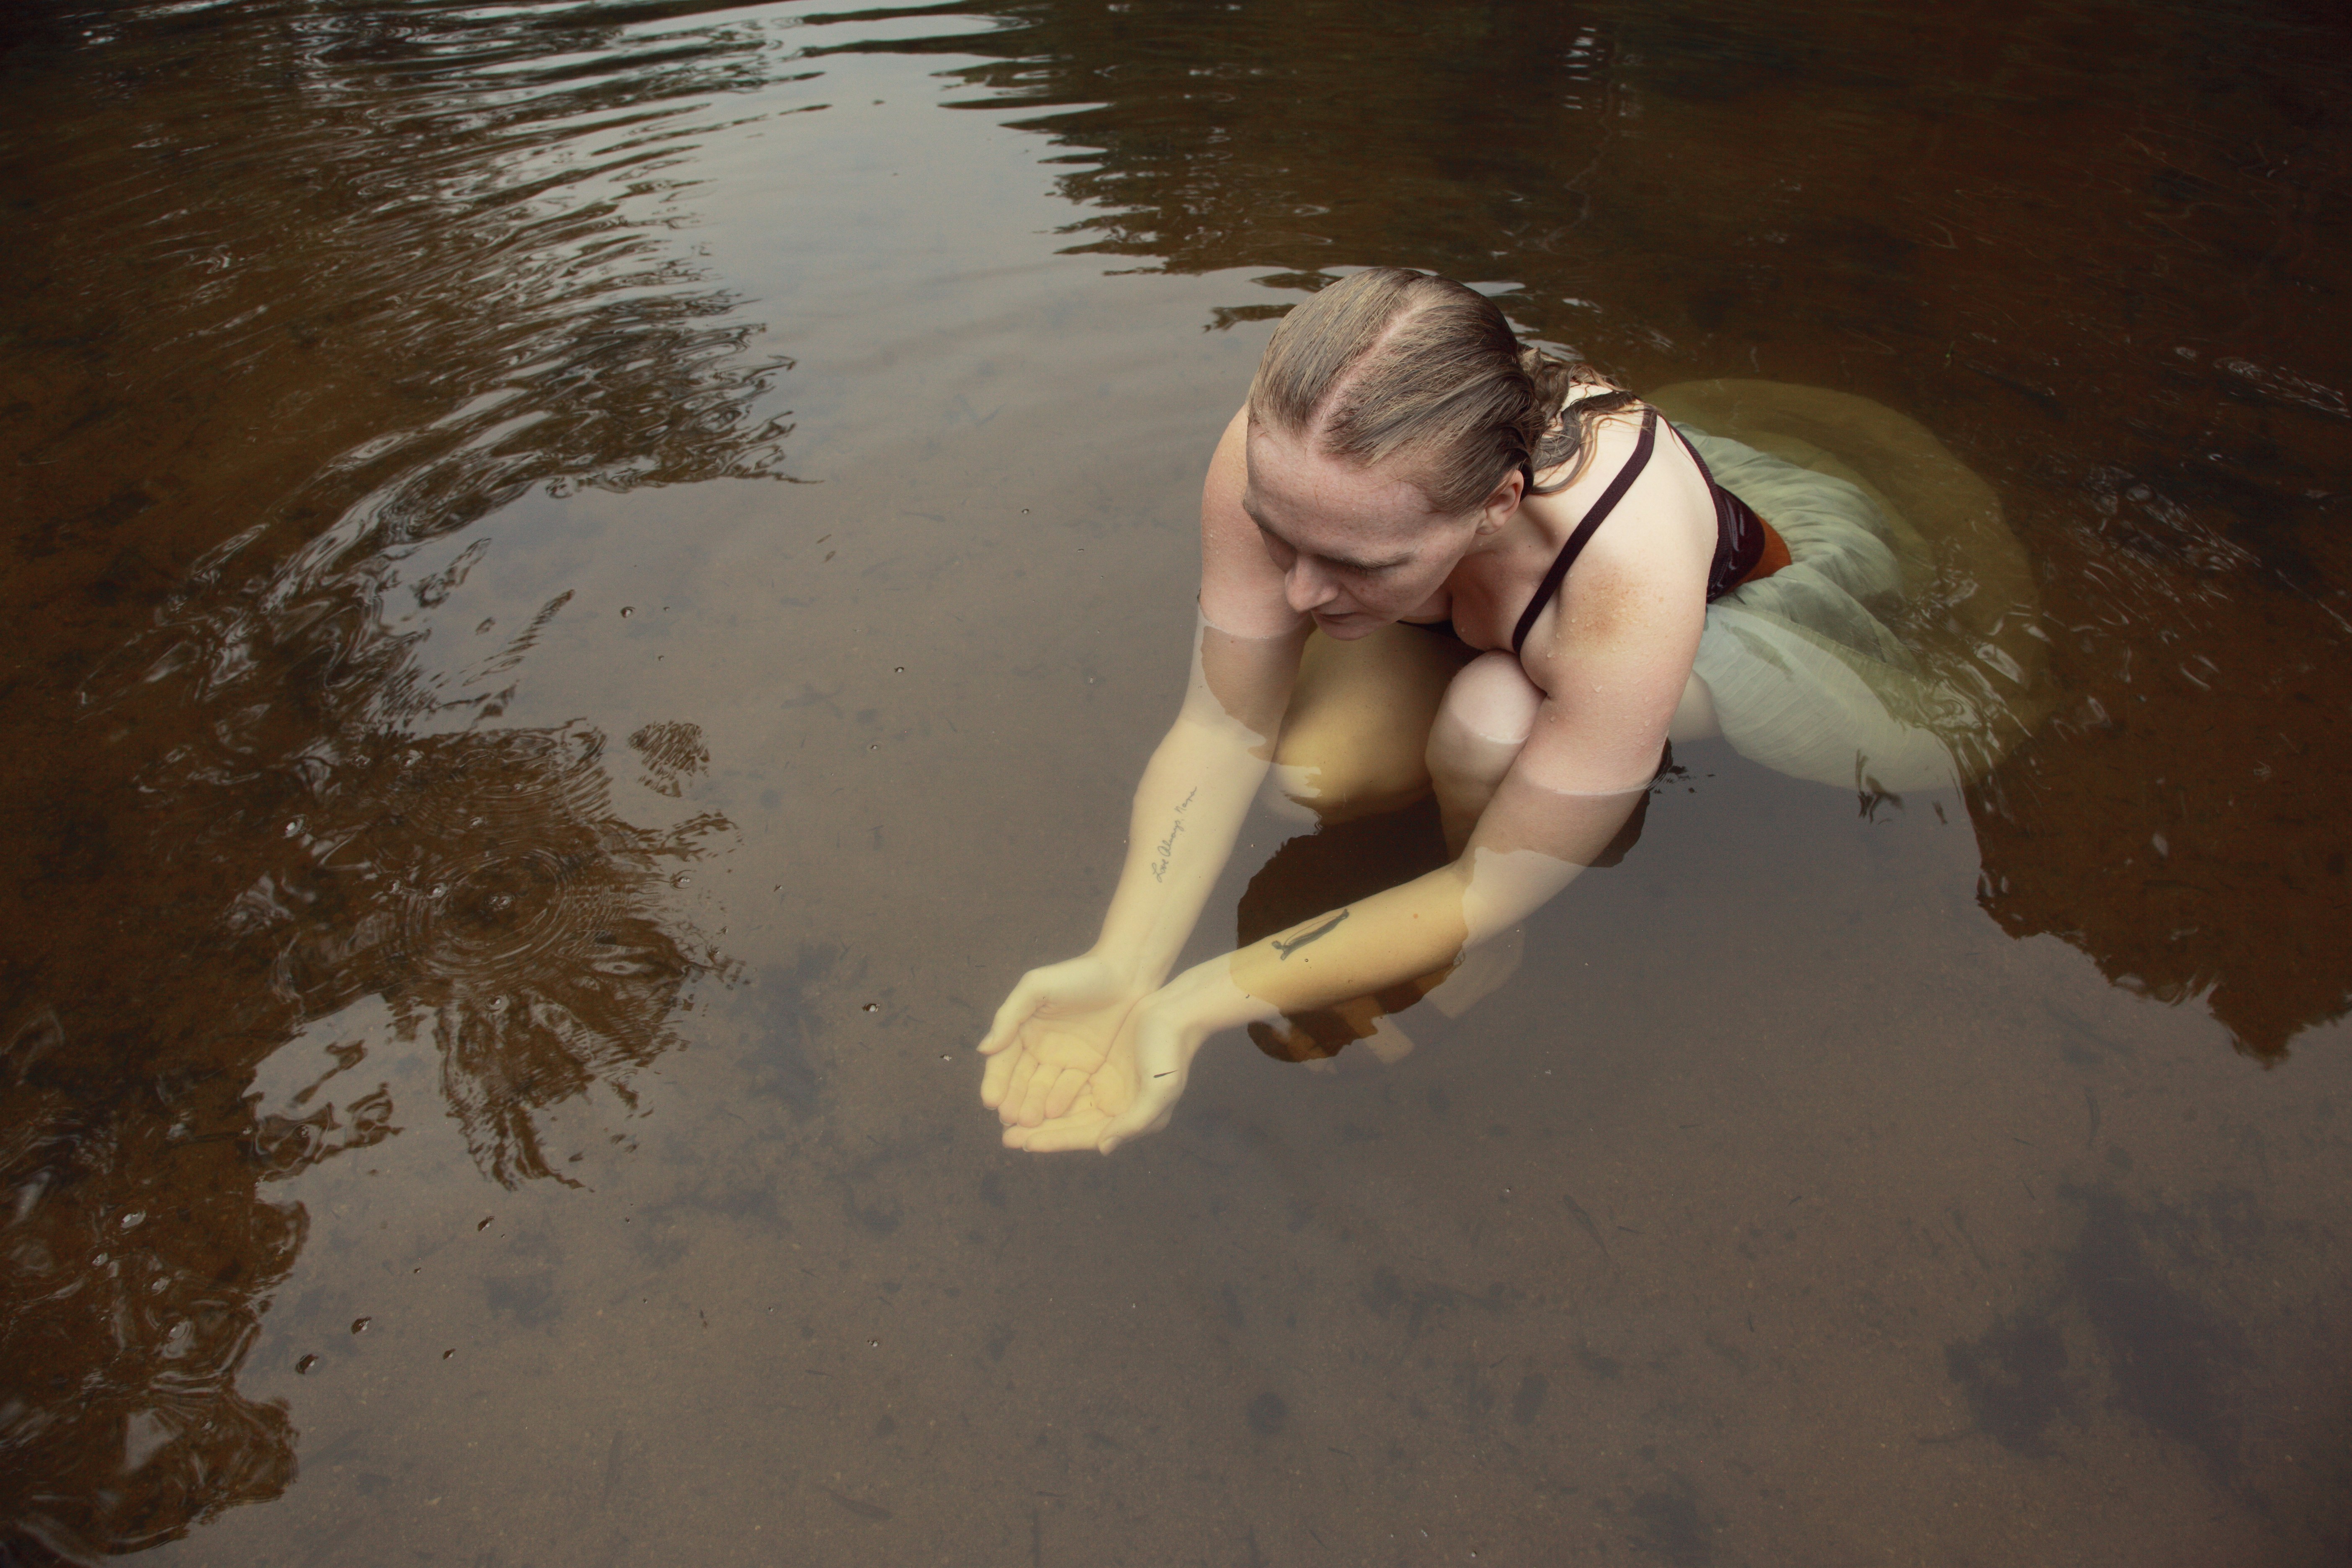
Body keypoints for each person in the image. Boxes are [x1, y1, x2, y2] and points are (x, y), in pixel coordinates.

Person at [977, 268, 2042, 1154]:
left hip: (1690, 616)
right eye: (1278, 539)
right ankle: (1418, 728)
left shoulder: (1627, 569)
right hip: (1460, 594)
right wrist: (1123, 967)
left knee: (1489, 722)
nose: (1296, 595)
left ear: (1497, 505)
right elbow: (1221, 726)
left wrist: (1190, 1007)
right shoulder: (1289, 455)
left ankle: (1494, 932)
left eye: (1349, 561)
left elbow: (1497, 883)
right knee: (1313, 774)